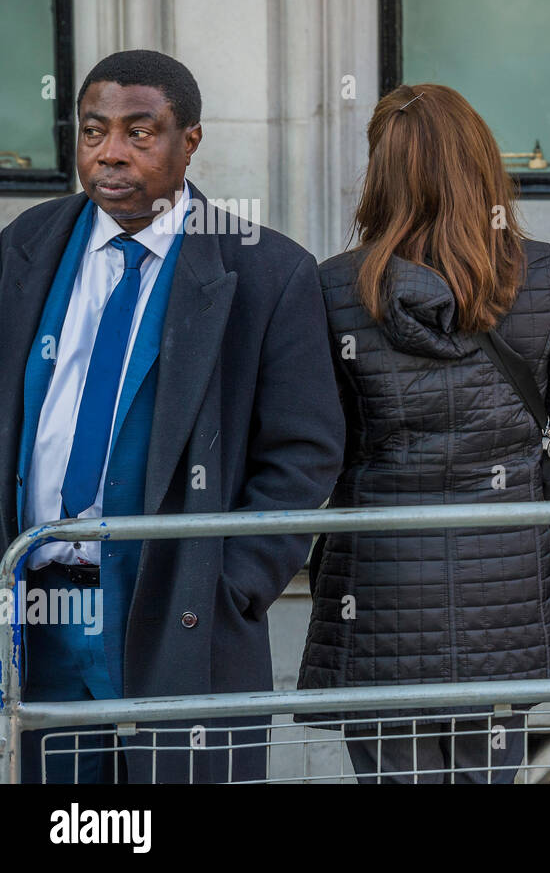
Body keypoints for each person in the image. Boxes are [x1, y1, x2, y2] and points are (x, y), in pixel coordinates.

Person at [0, 49, 345, 783]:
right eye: (94, 132)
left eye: (139, 131)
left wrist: (229, 586)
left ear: (190, 140)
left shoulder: (266, 269)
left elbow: (304, 453)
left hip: (178, 615)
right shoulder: (26, 245)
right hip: (34, 622)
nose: (111, 154)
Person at [296, 83, 550, 784]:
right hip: (506, 594)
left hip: (376, 591)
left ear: (381, 175)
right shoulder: (540, 272)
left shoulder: (335, 288)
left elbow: (319, 446)